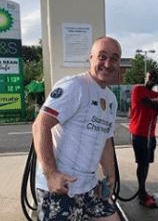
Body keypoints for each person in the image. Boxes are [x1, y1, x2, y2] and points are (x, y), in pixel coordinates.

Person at [32, 37, 122, 221]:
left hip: (88, 187)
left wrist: (110, 176)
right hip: (60, 187)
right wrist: (51, 174)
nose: (108, 63)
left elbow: (105, 141)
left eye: (114, 58)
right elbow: (40, 124)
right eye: (102, 56)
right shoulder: (75, 86)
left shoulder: (111, 98)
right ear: (91, 58)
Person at [128, 71, 158, 208]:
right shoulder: (138, 90)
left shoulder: (156, 95)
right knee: (142, 163)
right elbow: (151, 105)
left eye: (154, 79)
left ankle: (142, 191)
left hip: (150, 135)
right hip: (138, 133)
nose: (152, 80)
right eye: (150, 77)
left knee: (146, 163)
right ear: (145, 78)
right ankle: (142, 195)